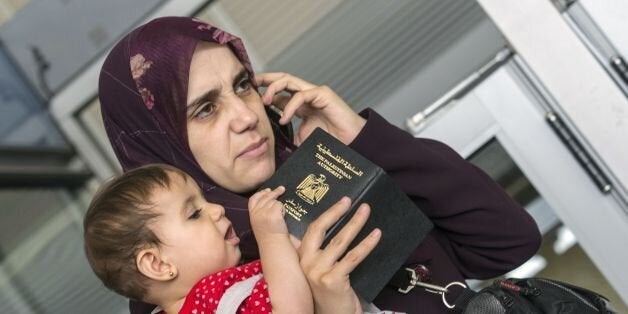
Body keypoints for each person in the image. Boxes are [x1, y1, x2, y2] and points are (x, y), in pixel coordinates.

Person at [98, 16, 542, 313]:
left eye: (243, 86)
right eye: (206, 110)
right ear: (159, 144)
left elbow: (507, 243)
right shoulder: (189, 290)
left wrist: (361, 137)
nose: (247, 116)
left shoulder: (324, 178)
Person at [84, 164, 381, 314]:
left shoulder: (218, 291)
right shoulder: (207, 299)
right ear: (158, 264)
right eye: (194, 214)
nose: (216, 210)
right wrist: (271, 237)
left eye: (205, 201)